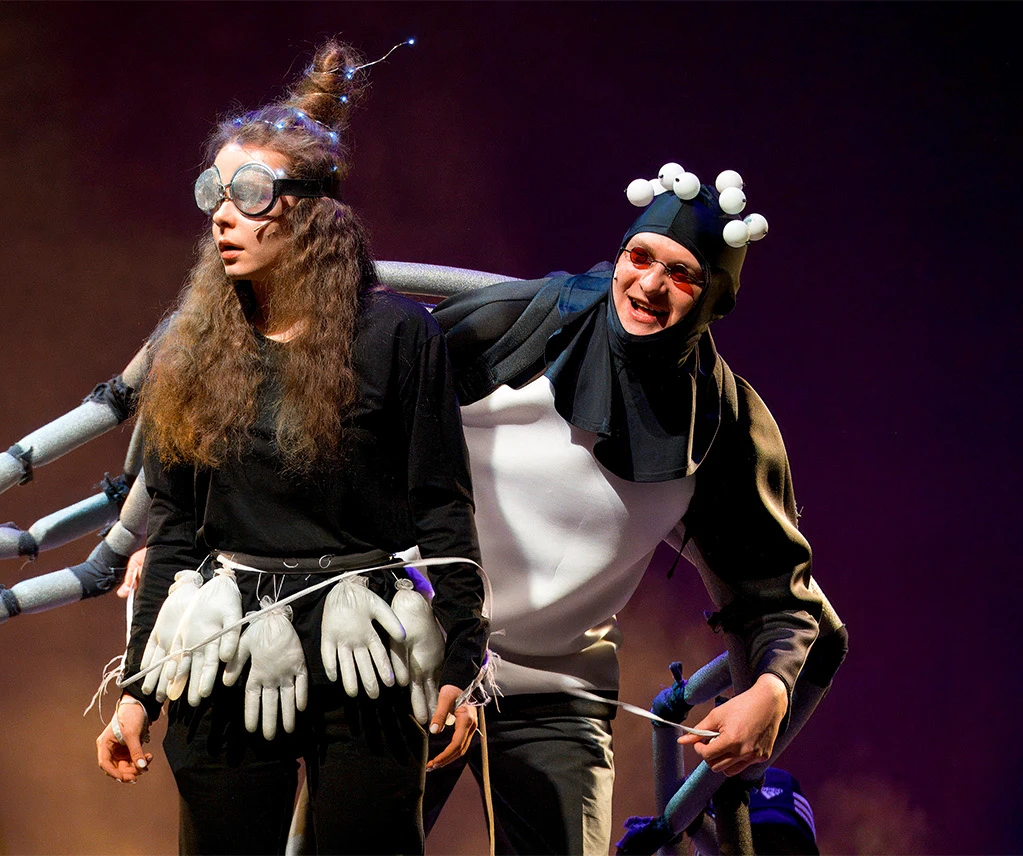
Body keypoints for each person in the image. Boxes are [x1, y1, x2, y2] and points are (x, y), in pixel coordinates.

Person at [93, 43, 487, 855]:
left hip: (364, 646)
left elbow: (443, 509)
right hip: (229, 641)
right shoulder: (192, 347)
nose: (222, 216)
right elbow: (174, 527)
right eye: (214, 194)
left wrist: (462, 663)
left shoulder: (397, 336)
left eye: (248, 194)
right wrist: (138, 692)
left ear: (310, 212)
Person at [420, 168, 848, 854]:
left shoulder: (722, 425)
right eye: (640, 257)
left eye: (681, 274)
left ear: (715, 297)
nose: (649, 285)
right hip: (423, 645)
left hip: (558, 684)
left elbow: (779, 598)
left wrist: (770, 689)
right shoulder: (515, 323)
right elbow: (361, 410)